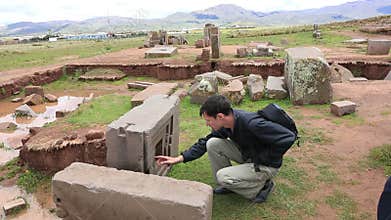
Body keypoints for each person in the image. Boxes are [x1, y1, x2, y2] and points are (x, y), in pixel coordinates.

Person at [155, 95, 296, 203]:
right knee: (212, 143)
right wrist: (179, 158)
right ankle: (230, 185)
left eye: (208, 120)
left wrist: (264, 158)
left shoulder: (253, 124)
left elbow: (288, 137)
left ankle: (261, 187)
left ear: (220, 116)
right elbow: (204, 142)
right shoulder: (228, 124)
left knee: (223, 176)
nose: (207, 124)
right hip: (249, 155)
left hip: (266, 164)